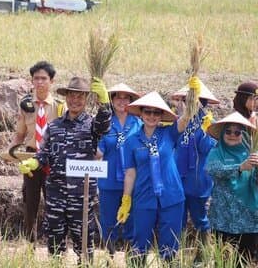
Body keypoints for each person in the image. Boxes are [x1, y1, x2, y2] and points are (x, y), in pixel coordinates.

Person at [19, 76, 111, 261]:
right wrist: (35, 162)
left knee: (84, 246)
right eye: (72, 96)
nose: (75, 101)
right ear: (66, 97)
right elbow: (44, 153)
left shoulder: (92, 125)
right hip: (56, 196)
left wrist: (105, 104)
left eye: (80, 97)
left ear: (86, 99)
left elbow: (104, 125)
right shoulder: (54, 127)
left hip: (82, 197)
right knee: (54, 244)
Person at [117, 87, 193, 264]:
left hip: (171, 197)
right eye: (148, 112)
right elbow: (130, 172)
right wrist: (126, 200)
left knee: (169, 247)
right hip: (144, 197)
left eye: (156, 112)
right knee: (139, 245)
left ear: (161, 115)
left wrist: (191, 100)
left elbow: (185, 119)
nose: (152, 116)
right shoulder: (131, 141)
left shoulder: (168, 133)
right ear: (141, 113)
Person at [4, 61, 64, 244]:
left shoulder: (60, 106)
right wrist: (10, 151)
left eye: (43, 78)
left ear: (51, 81)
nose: (39, 82)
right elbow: (20, 135)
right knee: (30, 203)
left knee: (53, 202)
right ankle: (30, 245)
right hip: (30, 157)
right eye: (36, 78)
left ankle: (54, 244)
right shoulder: (26, 105)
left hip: (52, 158)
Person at [171, 82, 219, 263]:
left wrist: (207, 131)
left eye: (193, 99)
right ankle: (178, 256)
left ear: (201, 102)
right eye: (186, 99)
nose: (189, 102)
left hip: (198, 181)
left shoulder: (209, 123)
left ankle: (202, 257)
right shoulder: (178, 122)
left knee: (200, 219)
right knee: (178, 219)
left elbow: (208, 149)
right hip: (178, 179)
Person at [95, 83, 142, 255]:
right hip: (109, 183)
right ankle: (109, 258)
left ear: (131, 101)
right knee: (108, 224)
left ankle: (132, 259)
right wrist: (91, 138)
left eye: (126, 97)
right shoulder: (105, 123)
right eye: (118, 97)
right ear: (112, 100)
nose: (122, 101)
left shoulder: (138, 123)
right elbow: (98, 153)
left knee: (131, 222)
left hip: (133, 183)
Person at [206, 112, 258, 266]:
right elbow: (214, 170)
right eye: (228, 131)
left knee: (244, 261)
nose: (232, 135)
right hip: (222, 219)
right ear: (222, 133)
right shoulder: (215, 153)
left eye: (237, 132)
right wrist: (240, 167)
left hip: (248, 220)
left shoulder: (251, 154)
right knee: (222, 260)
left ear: (244, 135)